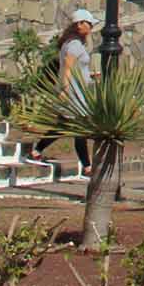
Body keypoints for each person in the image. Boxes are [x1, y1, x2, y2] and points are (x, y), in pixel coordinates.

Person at [32, 10, 98, 173]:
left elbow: (75, 68)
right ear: (80, 24)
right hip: (74, 94)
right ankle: (87, 166)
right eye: (89, 24)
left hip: (77, 91)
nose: (91, 28)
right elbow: (67, 68)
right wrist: (65, 90)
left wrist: (89, 76)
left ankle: (36, 151)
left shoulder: (73, 43)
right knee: (79, 129)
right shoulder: (74, 44)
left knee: (62, 127)